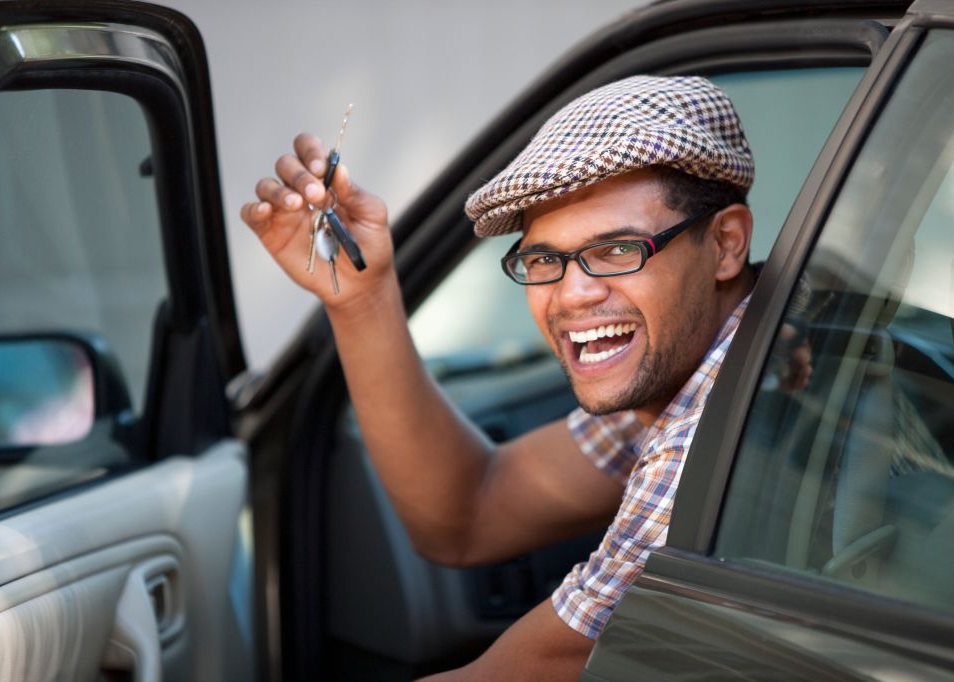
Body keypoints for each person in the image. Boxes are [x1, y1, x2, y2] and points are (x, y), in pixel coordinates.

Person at [242, 75, 760, 680]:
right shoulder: (741, 348)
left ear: (726, 244)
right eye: (544, 260)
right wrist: (361, 300)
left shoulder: (709, 433)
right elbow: (470, 512)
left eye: (618, 250)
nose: (572, 295)